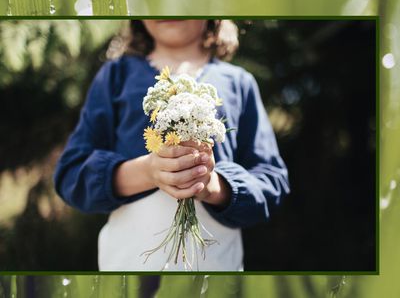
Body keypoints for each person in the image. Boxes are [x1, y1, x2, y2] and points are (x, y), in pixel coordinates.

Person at [54, 20, 290, 271]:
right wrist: (148, 171)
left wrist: (213, 186)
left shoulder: (239, 83)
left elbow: (271, 181)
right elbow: (70, 174)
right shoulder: (116, 76)